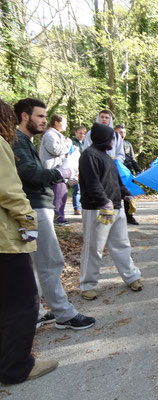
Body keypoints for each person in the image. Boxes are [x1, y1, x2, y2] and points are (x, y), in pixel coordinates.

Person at [12, 98, 95, 330]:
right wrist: (62, 172)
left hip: (34, 206)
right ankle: (64, 313)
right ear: (25, 116)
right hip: (35, 207)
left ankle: (37, 311)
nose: (44, 121)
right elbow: (32, 175)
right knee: (50, 262)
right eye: (40, 116)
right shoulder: (17, 141)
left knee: (34, 263)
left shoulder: (24, 141)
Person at [0, 99, 59, 384]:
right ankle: (16, 366)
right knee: (24, 300)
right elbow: (9, 189)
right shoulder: (2, 144)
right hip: (5, 240)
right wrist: (27, 221)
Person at [78, 122, 143, 300]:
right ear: (103, 138)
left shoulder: (107, 157)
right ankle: (87, 285)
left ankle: (132, 277)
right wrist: (103, 202)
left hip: (116, 208)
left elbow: (116, 182)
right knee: (94, 248)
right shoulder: (88, 155)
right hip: (98, 210)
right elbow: (92, 183)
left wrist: (127, 195)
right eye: (111, 139)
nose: (113, 142)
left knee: (122, 245)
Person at [39, 114, 72, 226]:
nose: (67, 125)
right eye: (65, 122)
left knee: (61, 192)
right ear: (57, 123)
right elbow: (55, 150)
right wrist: (68, 144)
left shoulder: (55, 134)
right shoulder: (50, 134)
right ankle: (58, 219)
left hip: (57, 170)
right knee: (59, 194)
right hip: (52, 171)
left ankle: (58, 217)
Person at [116, 124, 141, 225]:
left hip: (127, 173)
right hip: (116, 173)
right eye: (120, 132)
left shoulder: (128, 144)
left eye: (124, 132)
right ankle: (116, 218)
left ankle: (129, 216)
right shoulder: (111, 144)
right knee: (116, 195)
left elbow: (133, 159)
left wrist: (138, 170)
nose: (122, 134)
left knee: (129, 195)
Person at [71, 126, 86, 215]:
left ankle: (83, 206)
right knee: (77, 189)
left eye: (84, 133)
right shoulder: (72, 142)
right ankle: (77, 208)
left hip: (84, 167)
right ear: (76, 132)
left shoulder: (85, 143)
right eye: (80, 133)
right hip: (75, 167)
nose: (82, 135)